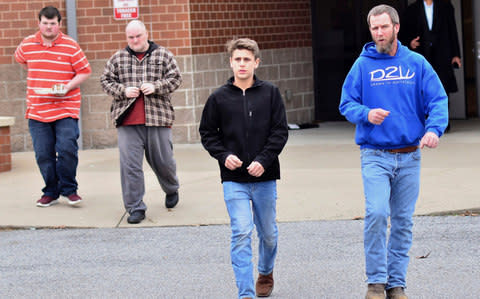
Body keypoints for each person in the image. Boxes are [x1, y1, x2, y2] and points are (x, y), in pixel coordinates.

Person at [339, 5, 448, 299]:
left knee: (402, 222)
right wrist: (366, 113)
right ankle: (375, 282)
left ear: (396, 27)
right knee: (376, 213)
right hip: (375, 155)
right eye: (374, 28)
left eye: (383, 27)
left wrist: (433, 130)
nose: (379, 33)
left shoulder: (416, 63)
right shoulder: (362, 66)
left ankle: (396, 284)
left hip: (410, 156)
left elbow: (437, 100)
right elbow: (346, 104)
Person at [199, 38, 288, 299]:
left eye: (246, 59)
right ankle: (246, 293)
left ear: (256, 62)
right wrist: (223, 155)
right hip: (234, 179)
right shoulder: (218, 98)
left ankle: (265, 271)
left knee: (268, 234)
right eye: (237, 59)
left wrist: (264, 160)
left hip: (265, 177)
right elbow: (208, 133)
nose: (241, 64)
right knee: (240, 232)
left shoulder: (270, 93)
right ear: (230, 63)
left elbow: (279, 132)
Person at [100, 20, 182, 224]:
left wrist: (156, 86)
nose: (135, 40)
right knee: (130, 167)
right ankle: (135, 208)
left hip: (158, 118)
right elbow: (105, 81)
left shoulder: (163, 55)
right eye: (131, 37)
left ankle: (171, 188)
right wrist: (122, 91)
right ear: (126, 37)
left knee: (164, 162)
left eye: (138, 36)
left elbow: (176, 79)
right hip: (128, 121)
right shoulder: (117, 58)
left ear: (146, 34)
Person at [14, 6, 91, 207]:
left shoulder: (71, 46)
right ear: (39, 23)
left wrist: (66, 87)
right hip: (37, 109)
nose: (49, 27)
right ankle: (51, 191)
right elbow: (22, 60)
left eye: (53, 23)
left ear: (59, 24)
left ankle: (69, 189)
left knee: (67, 149)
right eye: (45, 23)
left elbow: (84, 71)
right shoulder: (28, 44)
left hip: (65, 107)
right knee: (43, 154)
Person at [399, 0, 461, 132]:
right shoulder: (413, 9)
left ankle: (442, 122)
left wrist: (456, 54)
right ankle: (426, 122)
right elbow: (404, 30)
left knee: (442, 87)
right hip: (421, 54)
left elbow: (452, 29)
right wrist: (410, 42)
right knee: (422, 88)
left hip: (442, 54)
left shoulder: (445, 6)